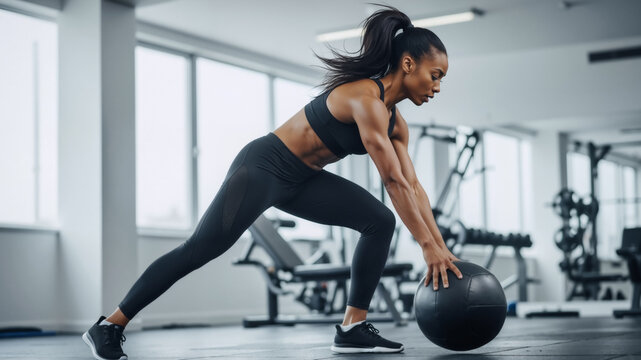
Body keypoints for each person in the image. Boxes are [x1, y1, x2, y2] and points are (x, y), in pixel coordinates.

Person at [82, 5, 463, 359]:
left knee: (379, 221)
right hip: (262, 167)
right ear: (409, 64)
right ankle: (110, 325)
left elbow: (414, 187)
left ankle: (352, 326)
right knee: (199, 249)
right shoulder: (366, 100)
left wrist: (441, 249)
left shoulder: (397, 124)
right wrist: (425, 246)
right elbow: (393, 181)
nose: (437, 87)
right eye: (435, 75)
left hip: (304, 180)